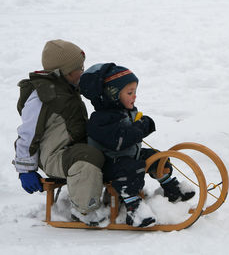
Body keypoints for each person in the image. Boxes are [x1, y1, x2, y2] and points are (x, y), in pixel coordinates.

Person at [79, 63, 195, 227]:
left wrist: (144, 123)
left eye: (135, 92)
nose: (134, 96)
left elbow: (134, 129)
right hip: (108, 165)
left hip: (128, 156)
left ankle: (171, 188)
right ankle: (134, 209)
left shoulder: (125, 111)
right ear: (112, 95)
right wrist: (139, 128)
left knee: (156, 156)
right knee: (131, 168)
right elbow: (119, 141)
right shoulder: (100, 120)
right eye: (129, 92)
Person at [13, 39, 105, 226]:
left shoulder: (69, 88)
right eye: (79, 67)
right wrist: (25, 170)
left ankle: (123, 195)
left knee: (107, 148)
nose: (83, 70)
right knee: (86, 159)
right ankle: (84, 209)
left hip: (73, 149)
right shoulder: (42, 96)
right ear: (66, 72)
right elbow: (28, 133)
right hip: (54, 156)